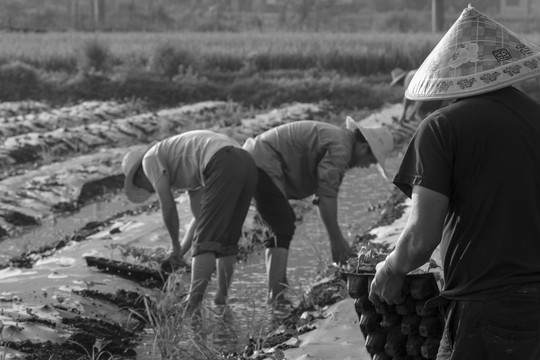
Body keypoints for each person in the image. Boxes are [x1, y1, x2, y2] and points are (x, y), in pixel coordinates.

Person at [370, 5, 540, 359]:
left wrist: (391, 269)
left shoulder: (441, 127)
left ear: (450, 76)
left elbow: (421, 236)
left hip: (487, 303)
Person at [243, 118, 394, 304]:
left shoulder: (341, 141)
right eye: (370, 161)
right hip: (261, 162)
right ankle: (276, 298)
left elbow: (322, 196)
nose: (366, 166)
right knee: (282, 224)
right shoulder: (341, 148)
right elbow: (326, 196)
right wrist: (336, 239)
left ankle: (279, 288)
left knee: (283, 221)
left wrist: (336, 238)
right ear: (363, 148)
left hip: (261, 160)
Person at [121, 130, 257, 313]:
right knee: (226, 238)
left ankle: (192, 304)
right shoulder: (185, 168)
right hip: (245, 161)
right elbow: (201, 217)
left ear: (138, 175)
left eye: (142, 187)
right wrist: (180, 252)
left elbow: (168, 206)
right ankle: (221, 299)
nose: (150, 190)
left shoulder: (149, 160)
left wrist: (174, 243)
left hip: (222, 161)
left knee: (205, 242)